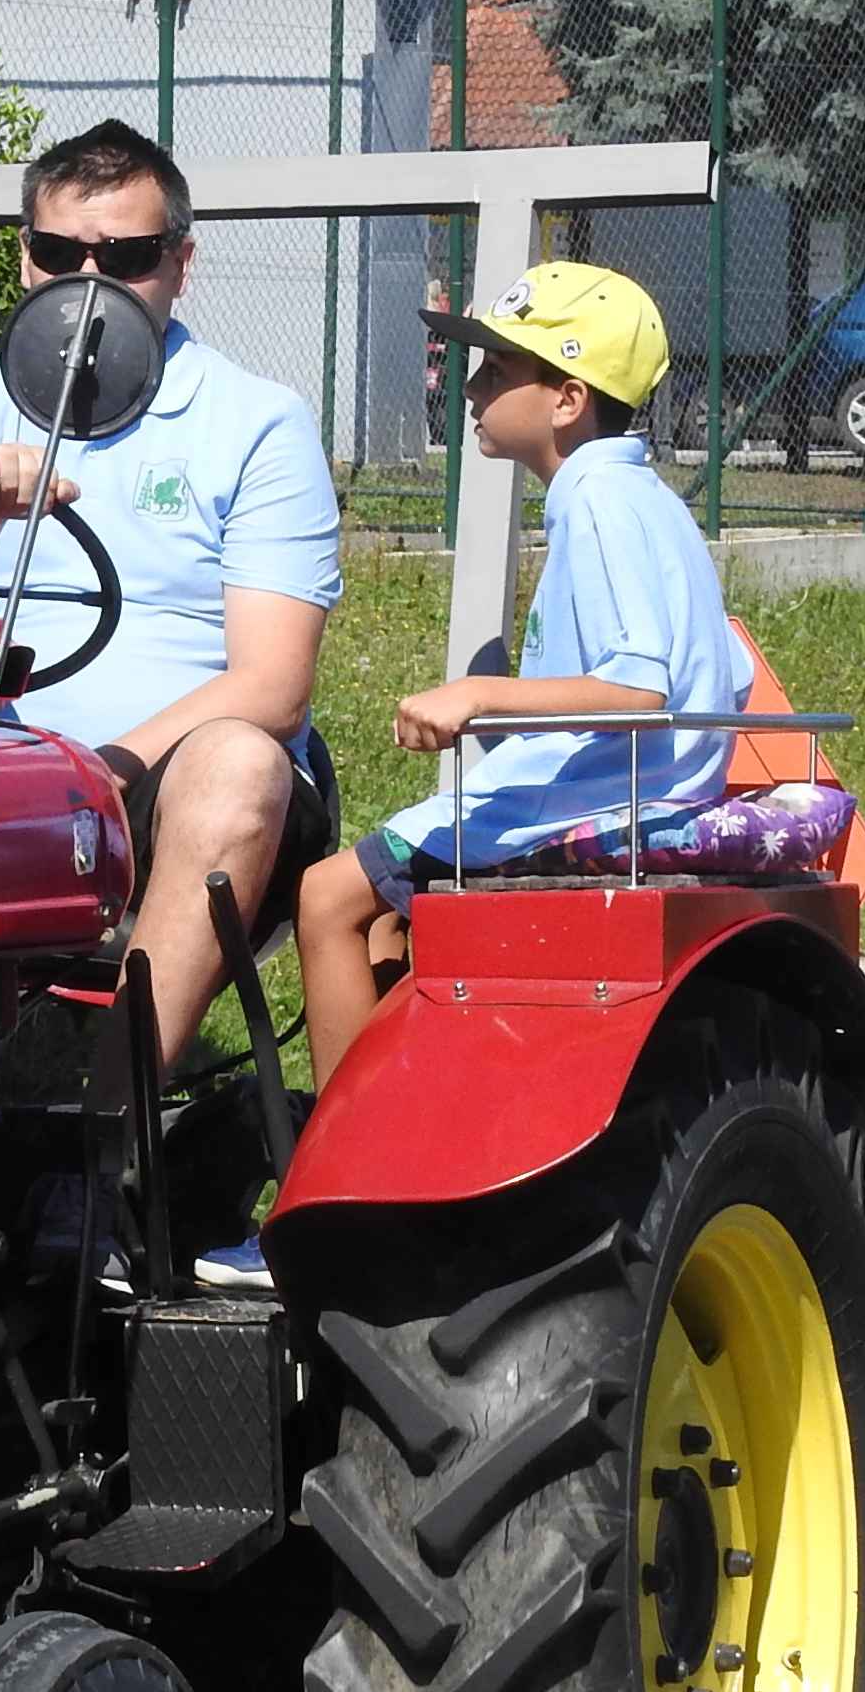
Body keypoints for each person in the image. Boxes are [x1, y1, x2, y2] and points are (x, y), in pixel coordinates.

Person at [197, 260, 750, 1290]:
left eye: (500, 366)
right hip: (612, 789)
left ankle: (340, 1188)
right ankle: (404, 1146)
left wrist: (477, 700)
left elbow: (641, 689)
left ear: (570, 399)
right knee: (380, 924)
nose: (473, 383)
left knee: (326, 897)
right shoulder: (631, 494)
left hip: (598, 801)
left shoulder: (595, 498)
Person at [0, 119, 346, 1071]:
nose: (88, 284)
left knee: (238, 765)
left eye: (125, 257)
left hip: (157, 785)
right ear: (25, 261)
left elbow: (273, 685)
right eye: (61, 254)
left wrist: (106, 766)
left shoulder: (255, 420)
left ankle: (103, 1119)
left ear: (181, 264)